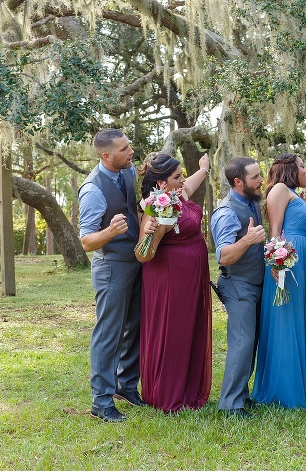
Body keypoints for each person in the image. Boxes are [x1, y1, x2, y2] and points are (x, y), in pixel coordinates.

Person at [78, 128, 149, 422]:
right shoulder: (92, 190)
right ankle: (101, 402)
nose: (130, 152)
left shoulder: (128, 170)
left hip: (135, 261)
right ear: (106, 156)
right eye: (124, 149)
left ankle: (126, 386)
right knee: (109, 332)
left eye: (129, 145)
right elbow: (86, 241)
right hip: (111, 267)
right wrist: (110, 231)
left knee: (135, 325)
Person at [134, 152, 212, 412]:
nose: (183, 180)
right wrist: (149, 234)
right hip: (170, 280)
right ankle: (168, 394)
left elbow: (192, 183)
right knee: (174, 332)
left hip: (192, 278)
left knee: (190, 329)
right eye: (177, 176)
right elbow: (143, 255)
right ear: (161, 185)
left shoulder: (179, 194)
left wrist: (204, 167)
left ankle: (190, 389)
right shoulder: (156, 208)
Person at [252, 154, 306, 409]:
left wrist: (305, 206)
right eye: (302, 166)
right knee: (285, 320)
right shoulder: (279, 189)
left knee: (297, 316)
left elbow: (294, 224)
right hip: (286, 265)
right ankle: (281, 390)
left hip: (299, 262)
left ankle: (294, 383)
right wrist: (277, 263)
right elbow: (276, 231)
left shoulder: (291, 193)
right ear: (290, 169)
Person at [210, 156, 267, 419]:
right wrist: (248, 240)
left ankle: (241, 395)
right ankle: (230, 405)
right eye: (255, 177)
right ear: (238, 182)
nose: (260, 181)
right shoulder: (227, 212)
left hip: (254, 283)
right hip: (237, 285)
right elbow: (223, 255)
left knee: (250, 343)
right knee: (242, 343)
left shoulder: (250, 202)